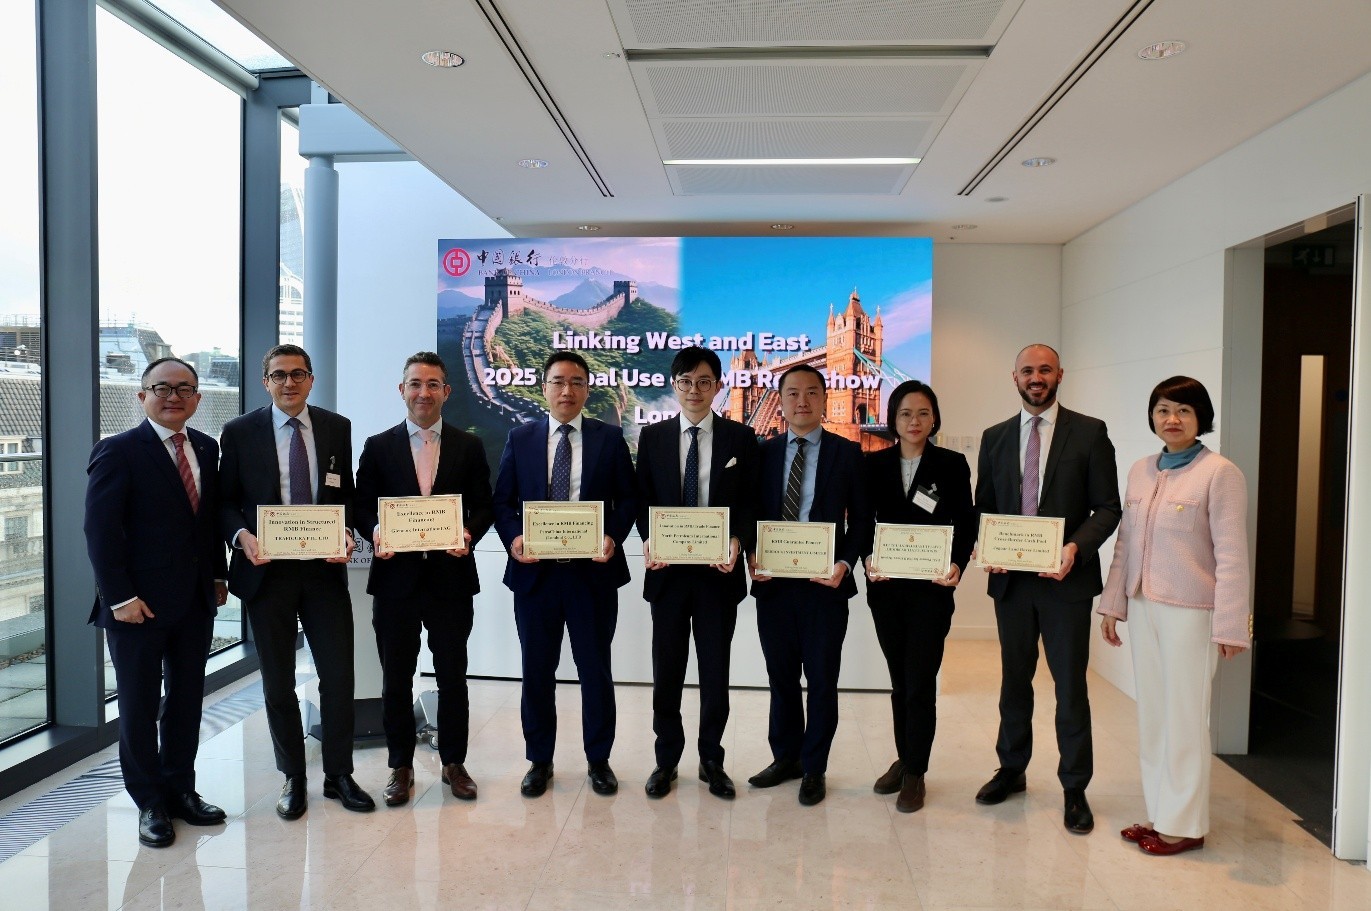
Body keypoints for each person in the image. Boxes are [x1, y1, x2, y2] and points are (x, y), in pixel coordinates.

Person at [219, 344, 374, 819]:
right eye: (280, 375)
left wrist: (346, 531)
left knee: (339, 676)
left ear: (311, 379)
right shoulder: (239, 431)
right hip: (267, 573)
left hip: (323, 571)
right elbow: (224, 502)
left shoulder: (336, 427)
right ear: (265, 381)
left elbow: (344, 492)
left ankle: (339, 774)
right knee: (278, 681)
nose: (289, 383)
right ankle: (293, 775)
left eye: (298, 374)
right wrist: (241, 536)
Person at [1098, 376, 1251, 856]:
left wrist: (1231, 625)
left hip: (1192, 612)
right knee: (1154, 715)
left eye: (1184, 410)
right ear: (1152, 416)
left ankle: (1184, 826)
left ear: (1201, 417)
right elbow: (1126, 543)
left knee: (1184, 718)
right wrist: (1113, 603)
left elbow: (1232, 555)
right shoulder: (1142, 470)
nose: (1172, 419)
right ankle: (1160, 812)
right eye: (1163, 409)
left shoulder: (1220, 473)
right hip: (1144, 604)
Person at [973, 343, 1120, 834]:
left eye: (1045, 370)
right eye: (1027, 371)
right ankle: (1011, 769)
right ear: (1014, 377)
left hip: (1066, 583)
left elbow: (1108, 507)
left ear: (1060, 374)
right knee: (1014, 681)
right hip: (1011, 585)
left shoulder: (1090, 432)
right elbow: (984, 507)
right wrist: (985, 545)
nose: (1036, 378)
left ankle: (1075, 787)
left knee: (1070, 687)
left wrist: (1075, 548)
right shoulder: (995, 437)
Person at [84, 357, 229, 847]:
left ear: (197, 398)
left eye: (184, 388)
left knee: (187, 702)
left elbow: (207, 522)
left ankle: (181, 790)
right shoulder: (117, 450)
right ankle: (149, 801)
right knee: (139, 706)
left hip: (194, 601)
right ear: (142, 395)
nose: (173, 396)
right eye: (162, 388)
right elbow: (100, 530)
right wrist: (120, 597)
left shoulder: (206, 447)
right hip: (137, 606)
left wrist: (217, 575)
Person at [492, 351, 638, 797]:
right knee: (537, 671)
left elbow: (629, 500)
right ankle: (539, 760)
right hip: (535, 576)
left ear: (587, 390)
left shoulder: (609, 439)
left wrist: (613, 536)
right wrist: (514, 538)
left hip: (591, 577)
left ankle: (599, 759)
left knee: (596, 671)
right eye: (558, 381)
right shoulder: (520, 438)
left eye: (576, 382)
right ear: (544, 388)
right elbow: (502, 501)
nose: (567, 390)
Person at [355, 352, 493, 805]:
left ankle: (454, 763)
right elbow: (361, 506)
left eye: (433, 384)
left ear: (446, 392)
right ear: (402, 390)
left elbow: (484, 504)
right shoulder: (378, 446)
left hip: (451, 579)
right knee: (396, 679)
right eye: (415, 383)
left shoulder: (468, 446)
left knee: (453, 676)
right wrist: (376, 530)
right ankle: (400, 766)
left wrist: (468, 532)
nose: (423, 392)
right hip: (395, 582)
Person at [636, 347, 759, 800]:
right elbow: (642, 499)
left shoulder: (741, 438)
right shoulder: (653, 438)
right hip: (667, 574)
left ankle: (712, 760)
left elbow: (750, 501)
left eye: (704, 381)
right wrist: (648, 537)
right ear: (674, 385)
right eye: (686, 381)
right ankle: (666, 759)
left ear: (718, 386)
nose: (694, 390)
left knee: (714, 672)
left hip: (717, 576)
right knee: (667, 672)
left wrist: (738, 539)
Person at [747, 363, 872, 806]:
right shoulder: (761, 453)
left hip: (825, 586)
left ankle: (814, 767)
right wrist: (751, 554)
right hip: (775, 585)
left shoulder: (847, 453)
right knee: (780, 677)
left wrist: (845, 563)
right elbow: (748, 514)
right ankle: (786, 758)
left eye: (812, 392)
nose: (802, 401)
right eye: (793, 393)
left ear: (824, 399)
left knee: (821, 680)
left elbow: (862, 521)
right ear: (780, 401)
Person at [863, 380, 974, 813]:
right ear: (893, 418)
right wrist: (867, 558)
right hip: (887, 589)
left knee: (920, 682)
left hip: (931, 591)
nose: (914, 421)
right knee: (900, 683)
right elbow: (864, 524)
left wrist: (958, 564)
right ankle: (905, 758)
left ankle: (915, 773)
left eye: (923, 413)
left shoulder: (951, 464)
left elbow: (965, 522)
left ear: (934, 418)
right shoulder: (874, 464)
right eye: (906, 413)